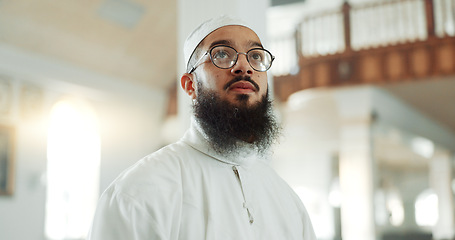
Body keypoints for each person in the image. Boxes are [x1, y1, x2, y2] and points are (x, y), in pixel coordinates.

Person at [87, 15, 316, 240]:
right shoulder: (139, 192)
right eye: (222, 54)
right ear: (190, 85)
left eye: (255, 56)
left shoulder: (288, 202)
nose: (244, 66)